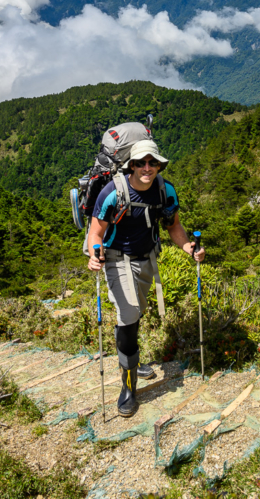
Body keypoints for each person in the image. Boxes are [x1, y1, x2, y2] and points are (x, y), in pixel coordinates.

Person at [87, 139, 205, 418]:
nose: (147, 168)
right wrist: (94, 255)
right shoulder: (112, 192)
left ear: (160, 165)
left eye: (153, 163)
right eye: (141, 162)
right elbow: (95, 232)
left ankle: (131, 358)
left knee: (135, 314)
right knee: (128, 314)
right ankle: (129, 386)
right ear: (131, 165)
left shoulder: (165, 191)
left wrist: (190, 248)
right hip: (116, 259)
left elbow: (173, 226)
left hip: (147, 259)